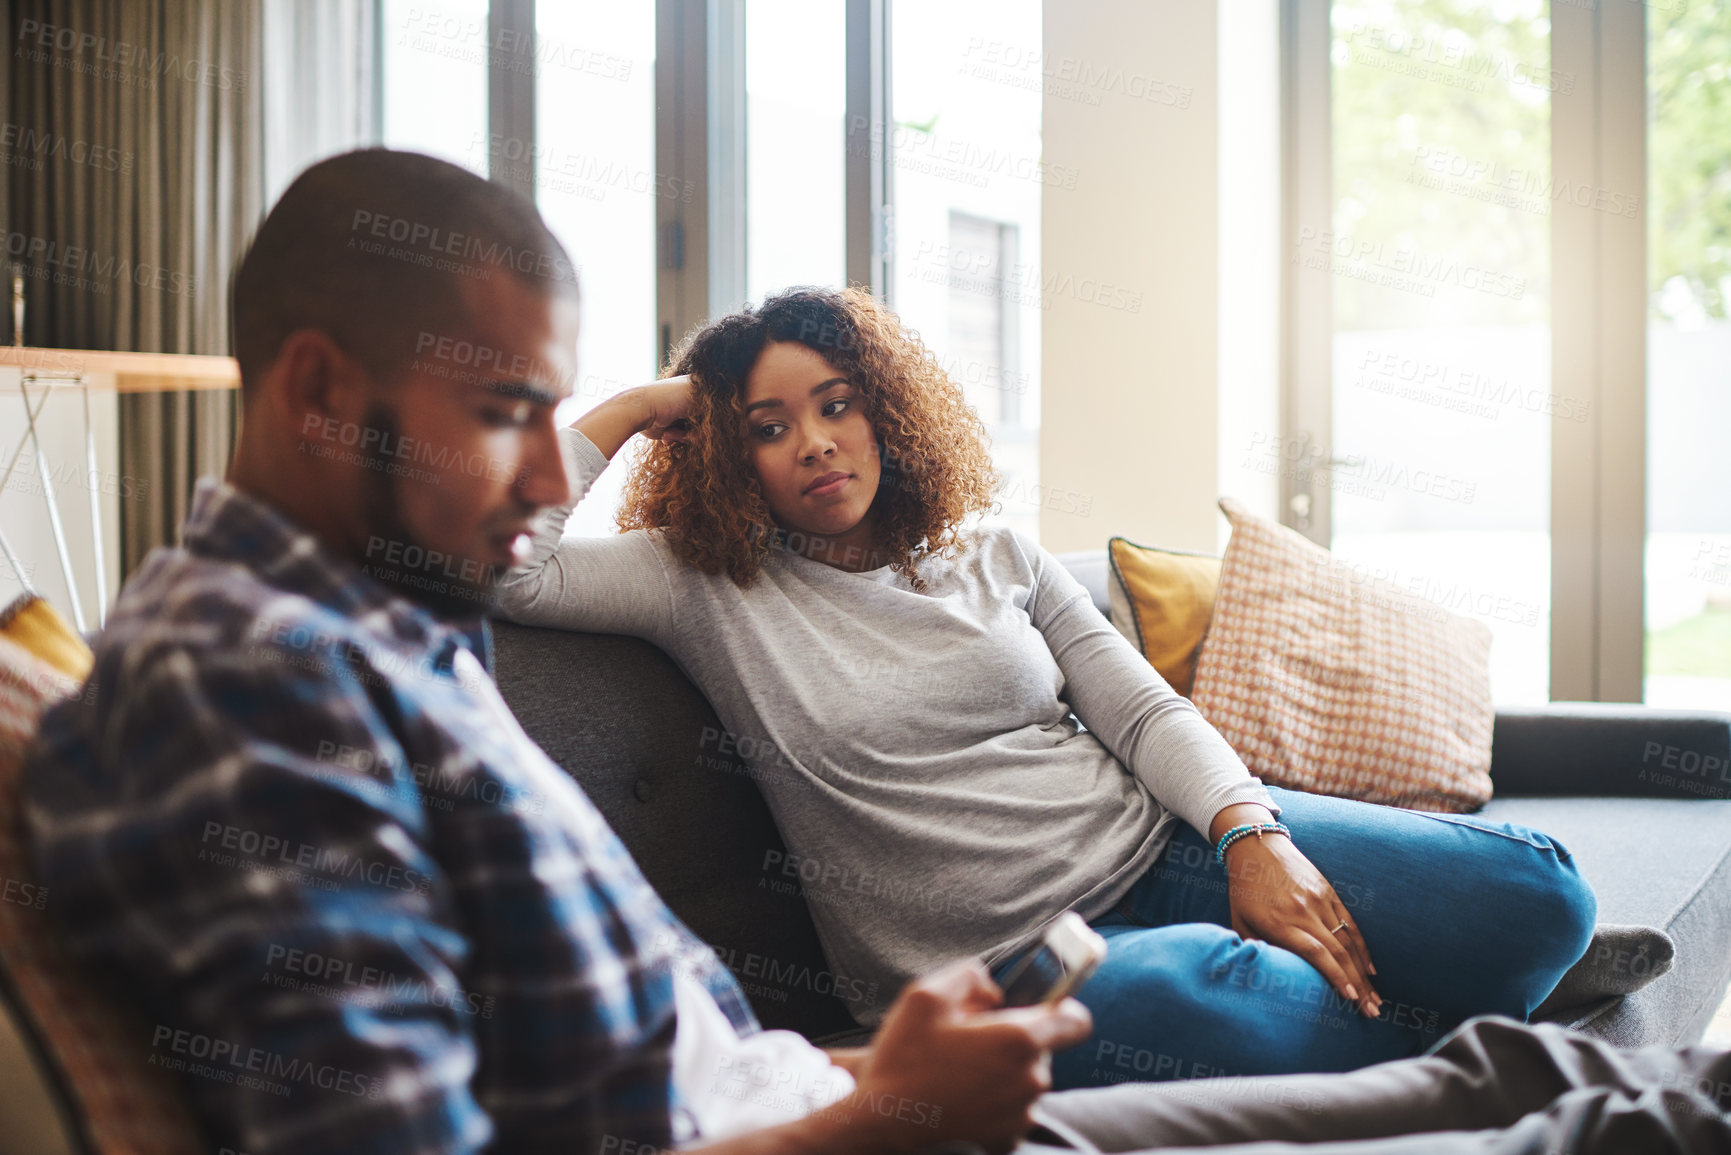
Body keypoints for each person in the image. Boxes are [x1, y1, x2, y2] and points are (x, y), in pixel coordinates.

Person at [17, 145, 1726, 1155]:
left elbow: (636, 1050)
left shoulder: (380, 635)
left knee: (1537, 985)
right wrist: (869, 1113)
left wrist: (1247, 834)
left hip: (847, 1080)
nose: (549, 483)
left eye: (841, 404)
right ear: (317, 392)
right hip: (902, 1077)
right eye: (507, 415)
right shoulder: (255, 693)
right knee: (1593, 1108)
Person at [492, 285, 1599, 1088]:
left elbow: (1145, 712)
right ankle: (1465, 1033)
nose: (816, 445)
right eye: (768, 428)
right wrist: (641, 406)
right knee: (1194, 997)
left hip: (1160, 850)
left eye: (837, 405)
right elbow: (503, 570)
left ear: (886, 409)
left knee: (1542, 895)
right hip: (997, 965)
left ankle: (1400, 1012)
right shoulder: (701, 582)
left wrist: (1252, 840)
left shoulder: (996, 554)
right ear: (728, 456)